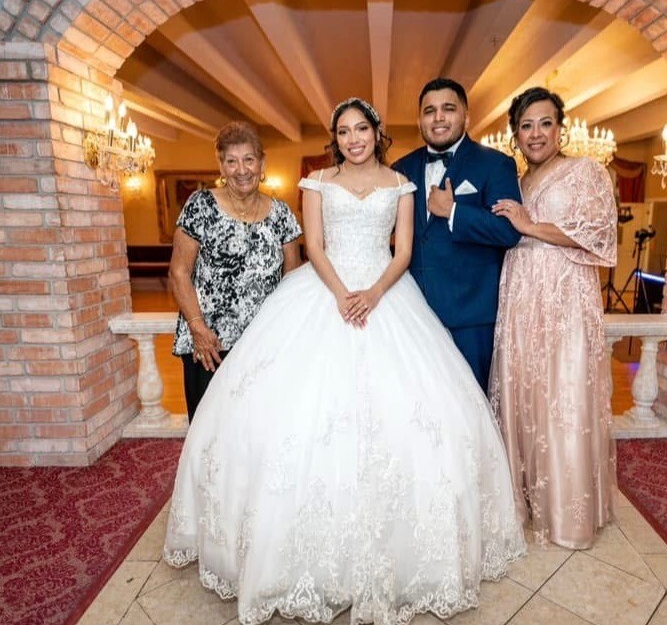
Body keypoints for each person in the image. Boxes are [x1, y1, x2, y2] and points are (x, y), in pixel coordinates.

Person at [163, 98, 525, 625]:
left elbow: (403, 252)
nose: (353, 138)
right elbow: (313, 246)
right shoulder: (316, 182)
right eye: (343, 131)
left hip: (386, 294)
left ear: (377, 133)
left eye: (361, 129)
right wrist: (341, 294)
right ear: (335, 138)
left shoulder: (401, 184)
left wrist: (374, 293)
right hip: (324, 292)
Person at [488, 87, 617, 549]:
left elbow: (600, 235)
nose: (536, 133)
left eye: (545, 123)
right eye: (526, 125)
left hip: (565, 301)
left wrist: (530, 226)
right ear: (515, 134)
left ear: (561, 128)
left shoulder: (585, 171)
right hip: (521, 297)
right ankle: (526, 501)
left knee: (563, 395)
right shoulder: (515, 182)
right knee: (524, 392)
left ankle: (567, 515)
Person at [392, 78, 522, 393]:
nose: (438, 118)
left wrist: (453, 212)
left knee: (471, 405)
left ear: (466, 116)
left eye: (448, 109)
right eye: (429, 111)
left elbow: (508, 230)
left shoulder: (496, 164)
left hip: (470, 319)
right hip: (413, 313)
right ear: (419, 120)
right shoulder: (400, 169)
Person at [168, 122, 302, 422]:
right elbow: (178, 272)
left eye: (249, 159)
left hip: (262, 345)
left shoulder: (282, 214)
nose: (242, 169)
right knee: (209, 429)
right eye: (232, 161)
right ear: (221, 166)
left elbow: (291, 282)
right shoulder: (200, 206)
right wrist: (198, 328)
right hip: (209, 345)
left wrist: (283, 336)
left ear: (262, 164)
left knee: (259, 428)